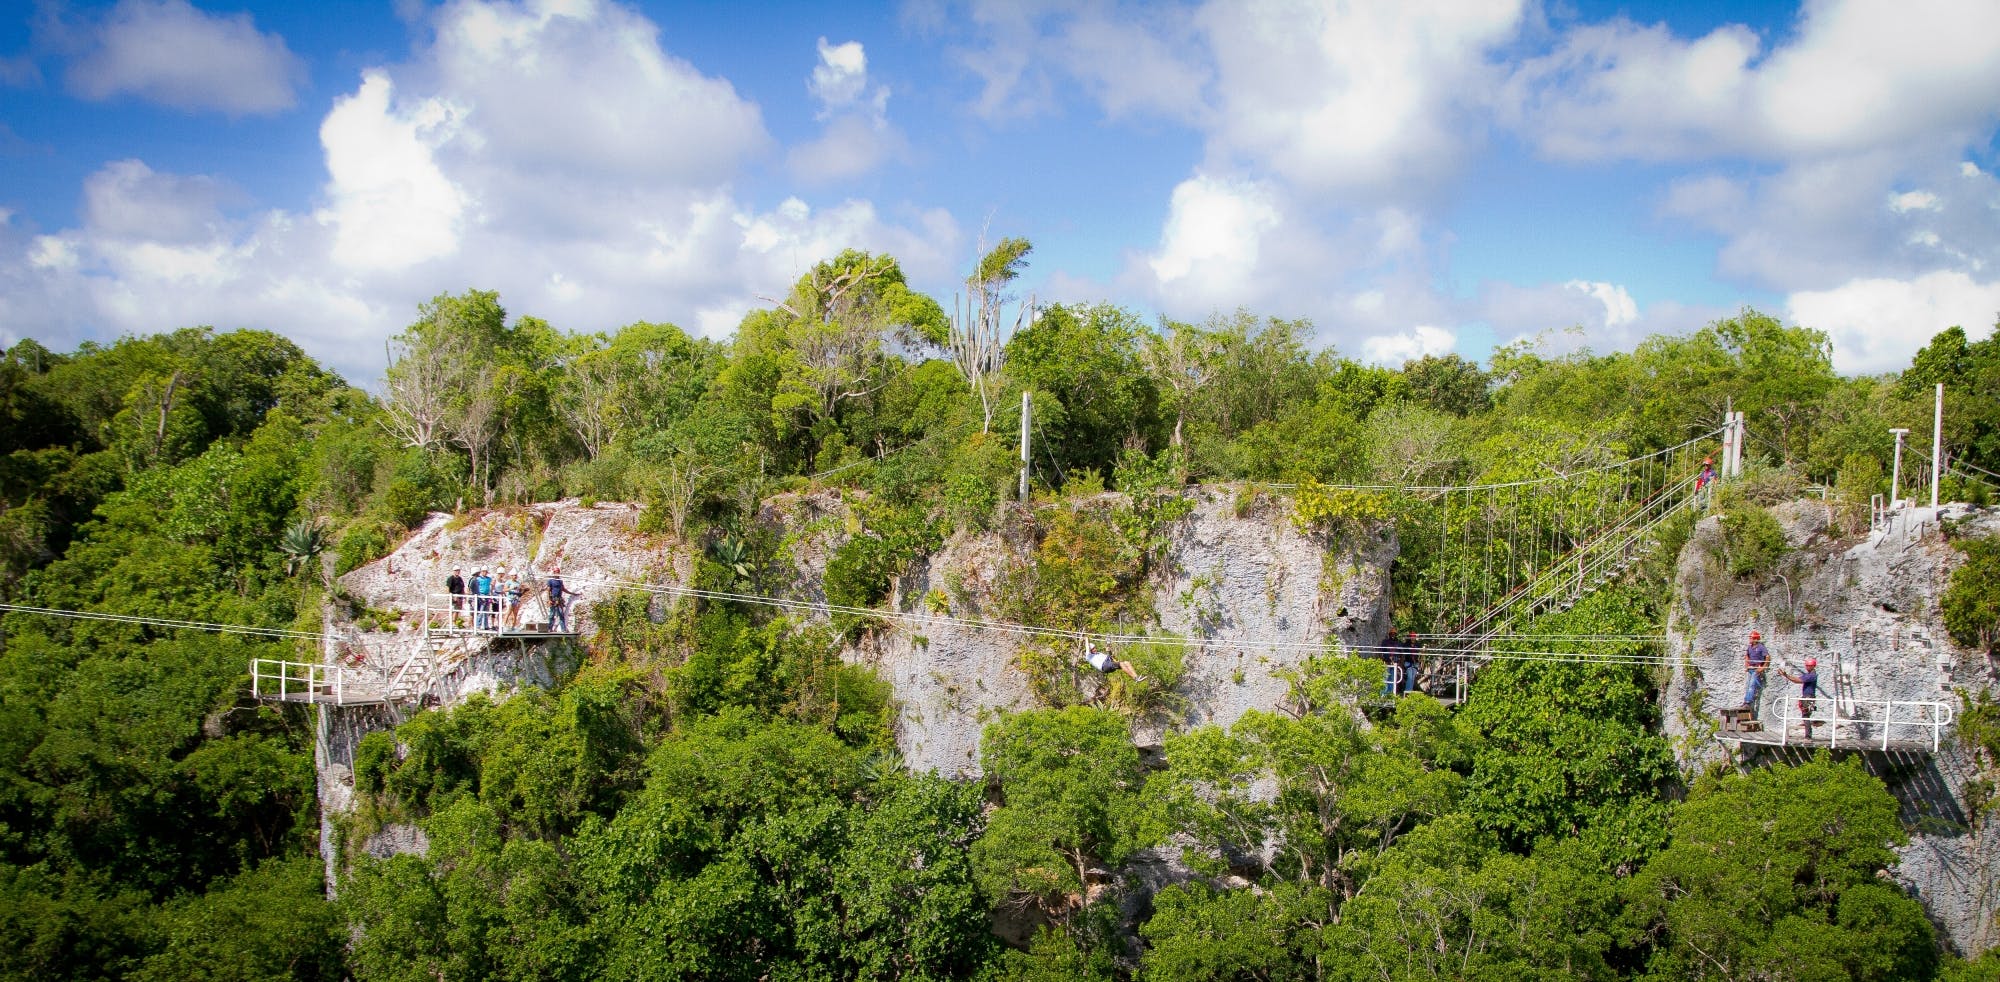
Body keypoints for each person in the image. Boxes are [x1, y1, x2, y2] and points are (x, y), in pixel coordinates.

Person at [1779, 657, 1821, 738]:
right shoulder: (1809, 675)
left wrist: (1785, 675)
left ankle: (1808, 736)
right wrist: (1786, 675)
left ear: (1813, 666)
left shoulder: (1812, 676)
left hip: (1808, 697)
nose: (1807, 667)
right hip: (1807, 697)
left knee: (1806, 715)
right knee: (1805, 715)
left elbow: (1797, 680)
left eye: (1808, 665)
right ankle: (1808, 735)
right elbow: (1796, 680)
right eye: (1806, 665)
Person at [1741, 630, 1769, 719]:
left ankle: (1748, 702)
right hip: (1751, 668)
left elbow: (1767, 657)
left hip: (1757, 668)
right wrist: (1747, 665)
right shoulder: (1750, 647)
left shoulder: (1761, 647)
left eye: (1751, 638)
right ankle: (1746, 701)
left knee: (1752, 685)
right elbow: (1747, 655)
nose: (1750, 639)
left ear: (1756, 639)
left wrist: (1763, 668)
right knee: (1748, 685)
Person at [547, 565, 576, 633]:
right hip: (553, 599)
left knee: (561, 614)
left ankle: (563, 629)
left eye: (558, 571)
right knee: (552, 614)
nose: (558, 573)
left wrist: (572, 593)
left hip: (559, 599)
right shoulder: (550, 581)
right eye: (556, 571)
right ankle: (550, 628)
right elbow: (548, 590)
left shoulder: (560, 581)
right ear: (554, 572)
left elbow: (563, 589)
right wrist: (549, 599)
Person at [1379, 629, 1404, 697]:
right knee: (1385, 678)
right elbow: (1381, 652)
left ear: (1396, 635)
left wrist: (1400, 664)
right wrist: (1381, 661)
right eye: (1392, 633)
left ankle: (1390, 695)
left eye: (1394, 634)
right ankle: (1383, 695)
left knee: (1392, 679)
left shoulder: (1398, 643)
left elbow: (1402, 654)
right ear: (1389, 634)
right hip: (1386, 662)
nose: (1393, 635)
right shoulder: (1385, 642)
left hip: (1395, 664)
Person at [1402, 629, 1422, 694]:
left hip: (1415, 663)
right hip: (1408, 662)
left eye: (1414, 637)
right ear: (1410, 637)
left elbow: (1420, 654)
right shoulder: (1406, 645)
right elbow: (1403, 654)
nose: (1413, 638)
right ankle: (1408, 691)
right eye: (1412, 637)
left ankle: (1410, 691)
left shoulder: (1418, 645)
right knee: (1410, 676)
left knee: (1413, 677)